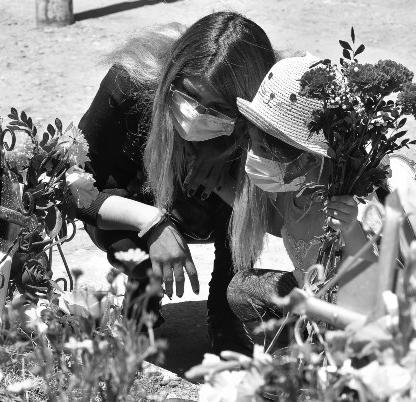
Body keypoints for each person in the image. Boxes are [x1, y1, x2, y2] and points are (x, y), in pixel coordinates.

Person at [76, 11, 277, 354]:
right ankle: (144, 291)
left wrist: (228, 182)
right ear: (172, 73)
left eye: (218, 107)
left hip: (210, 213)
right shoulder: (130, 84)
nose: (196, 111)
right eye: (188, 93)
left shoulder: (271, 108)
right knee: (133, 250)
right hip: (135, 210)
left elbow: (278, 216)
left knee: (247, 196)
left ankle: (225, 313)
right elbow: (73, 191)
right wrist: (152, 223)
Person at [225, 53, 378, 347]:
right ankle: (291, 358)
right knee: (241, 288)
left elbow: (376, 280)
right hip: (310, 301)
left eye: (261, 149)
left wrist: (352, 229)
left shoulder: (349, 202)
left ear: (304, 158)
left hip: (353, 319)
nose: (252, 157)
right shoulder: (291, 186)